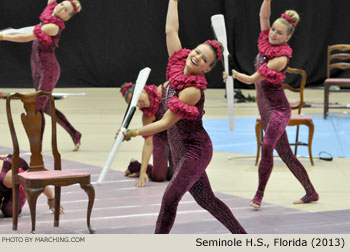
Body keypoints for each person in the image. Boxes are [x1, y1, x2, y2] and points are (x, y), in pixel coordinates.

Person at [123, 0, 246, 234]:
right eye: (197, 51)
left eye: (204, 59)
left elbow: (167, 122)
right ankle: (242, 237)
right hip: (179, 151)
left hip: (195, 150)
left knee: (170, 199)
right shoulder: (177, 65)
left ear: (207, 69)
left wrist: (134, 132)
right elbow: (171, 29)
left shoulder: (192, 90)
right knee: (207, 200)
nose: (197, 57)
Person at [226, 0, 319, 209]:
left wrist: (233, 74)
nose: (273, 34)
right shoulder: (266, 43)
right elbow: (263, 17)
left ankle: (258, 196)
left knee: (267, 146)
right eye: (273, 30)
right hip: (265, 111)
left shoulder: (281, 58)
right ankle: (311, 192)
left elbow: (252, 79)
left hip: (278, 111)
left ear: (287, 37)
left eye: (279, 33)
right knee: (286, 155)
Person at [0, 0, 82, 151]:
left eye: (65, 9)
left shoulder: (53, 26)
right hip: (37, 67)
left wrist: (3, 37)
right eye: (61, 4)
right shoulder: (50, 10)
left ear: (66, 17)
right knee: (46, 107)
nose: (60, 7)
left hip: (48, 69)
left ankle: (36, 148)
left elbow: (26, 37)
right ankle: (75, 133)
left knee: (37, 109)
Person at [120, 82, 173, 187]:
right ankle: (135, 166)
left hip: (175, 135)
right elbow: (148, 143)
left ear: (143, 90)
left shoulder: (162, 90)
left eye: (137, 100)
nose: (139, 104)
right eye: (135, 104)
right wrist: (143, 173)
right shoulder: (147, 117)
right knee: (159, 177)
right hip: (160, 138)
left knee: (175, 174)